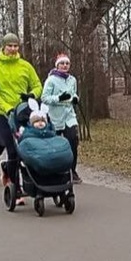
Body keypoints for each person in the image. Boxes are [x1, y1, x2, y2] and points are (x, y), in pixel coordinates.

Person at [0, 33, 42, 201]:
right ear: (3, 47)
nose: (13, 49)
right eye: (9, 46)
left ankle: (30, 181)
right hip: (3, 114)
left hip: (24, 112)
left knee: (28, 149)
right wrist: (6, 107)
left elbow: (38, 85)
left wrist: (31, 95)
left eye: (16, 46)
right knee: (12, 150)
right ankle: (16, 189)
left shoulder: (25, 66)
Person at [40, 53, 82, 184]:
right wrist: (59, 98)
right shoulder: (51, 80)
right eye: (62, 64)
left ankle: (72, 170)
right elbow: (44, 98)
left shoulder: (72, 80)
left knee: (73, 142)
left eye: (67, 64)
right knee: (54, 145)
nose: (65, 66)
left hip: (69, 116)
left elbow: (73, 93)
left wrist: (75, 98)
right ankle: (54, 170)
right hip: (55, 116)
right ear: (57, 65)